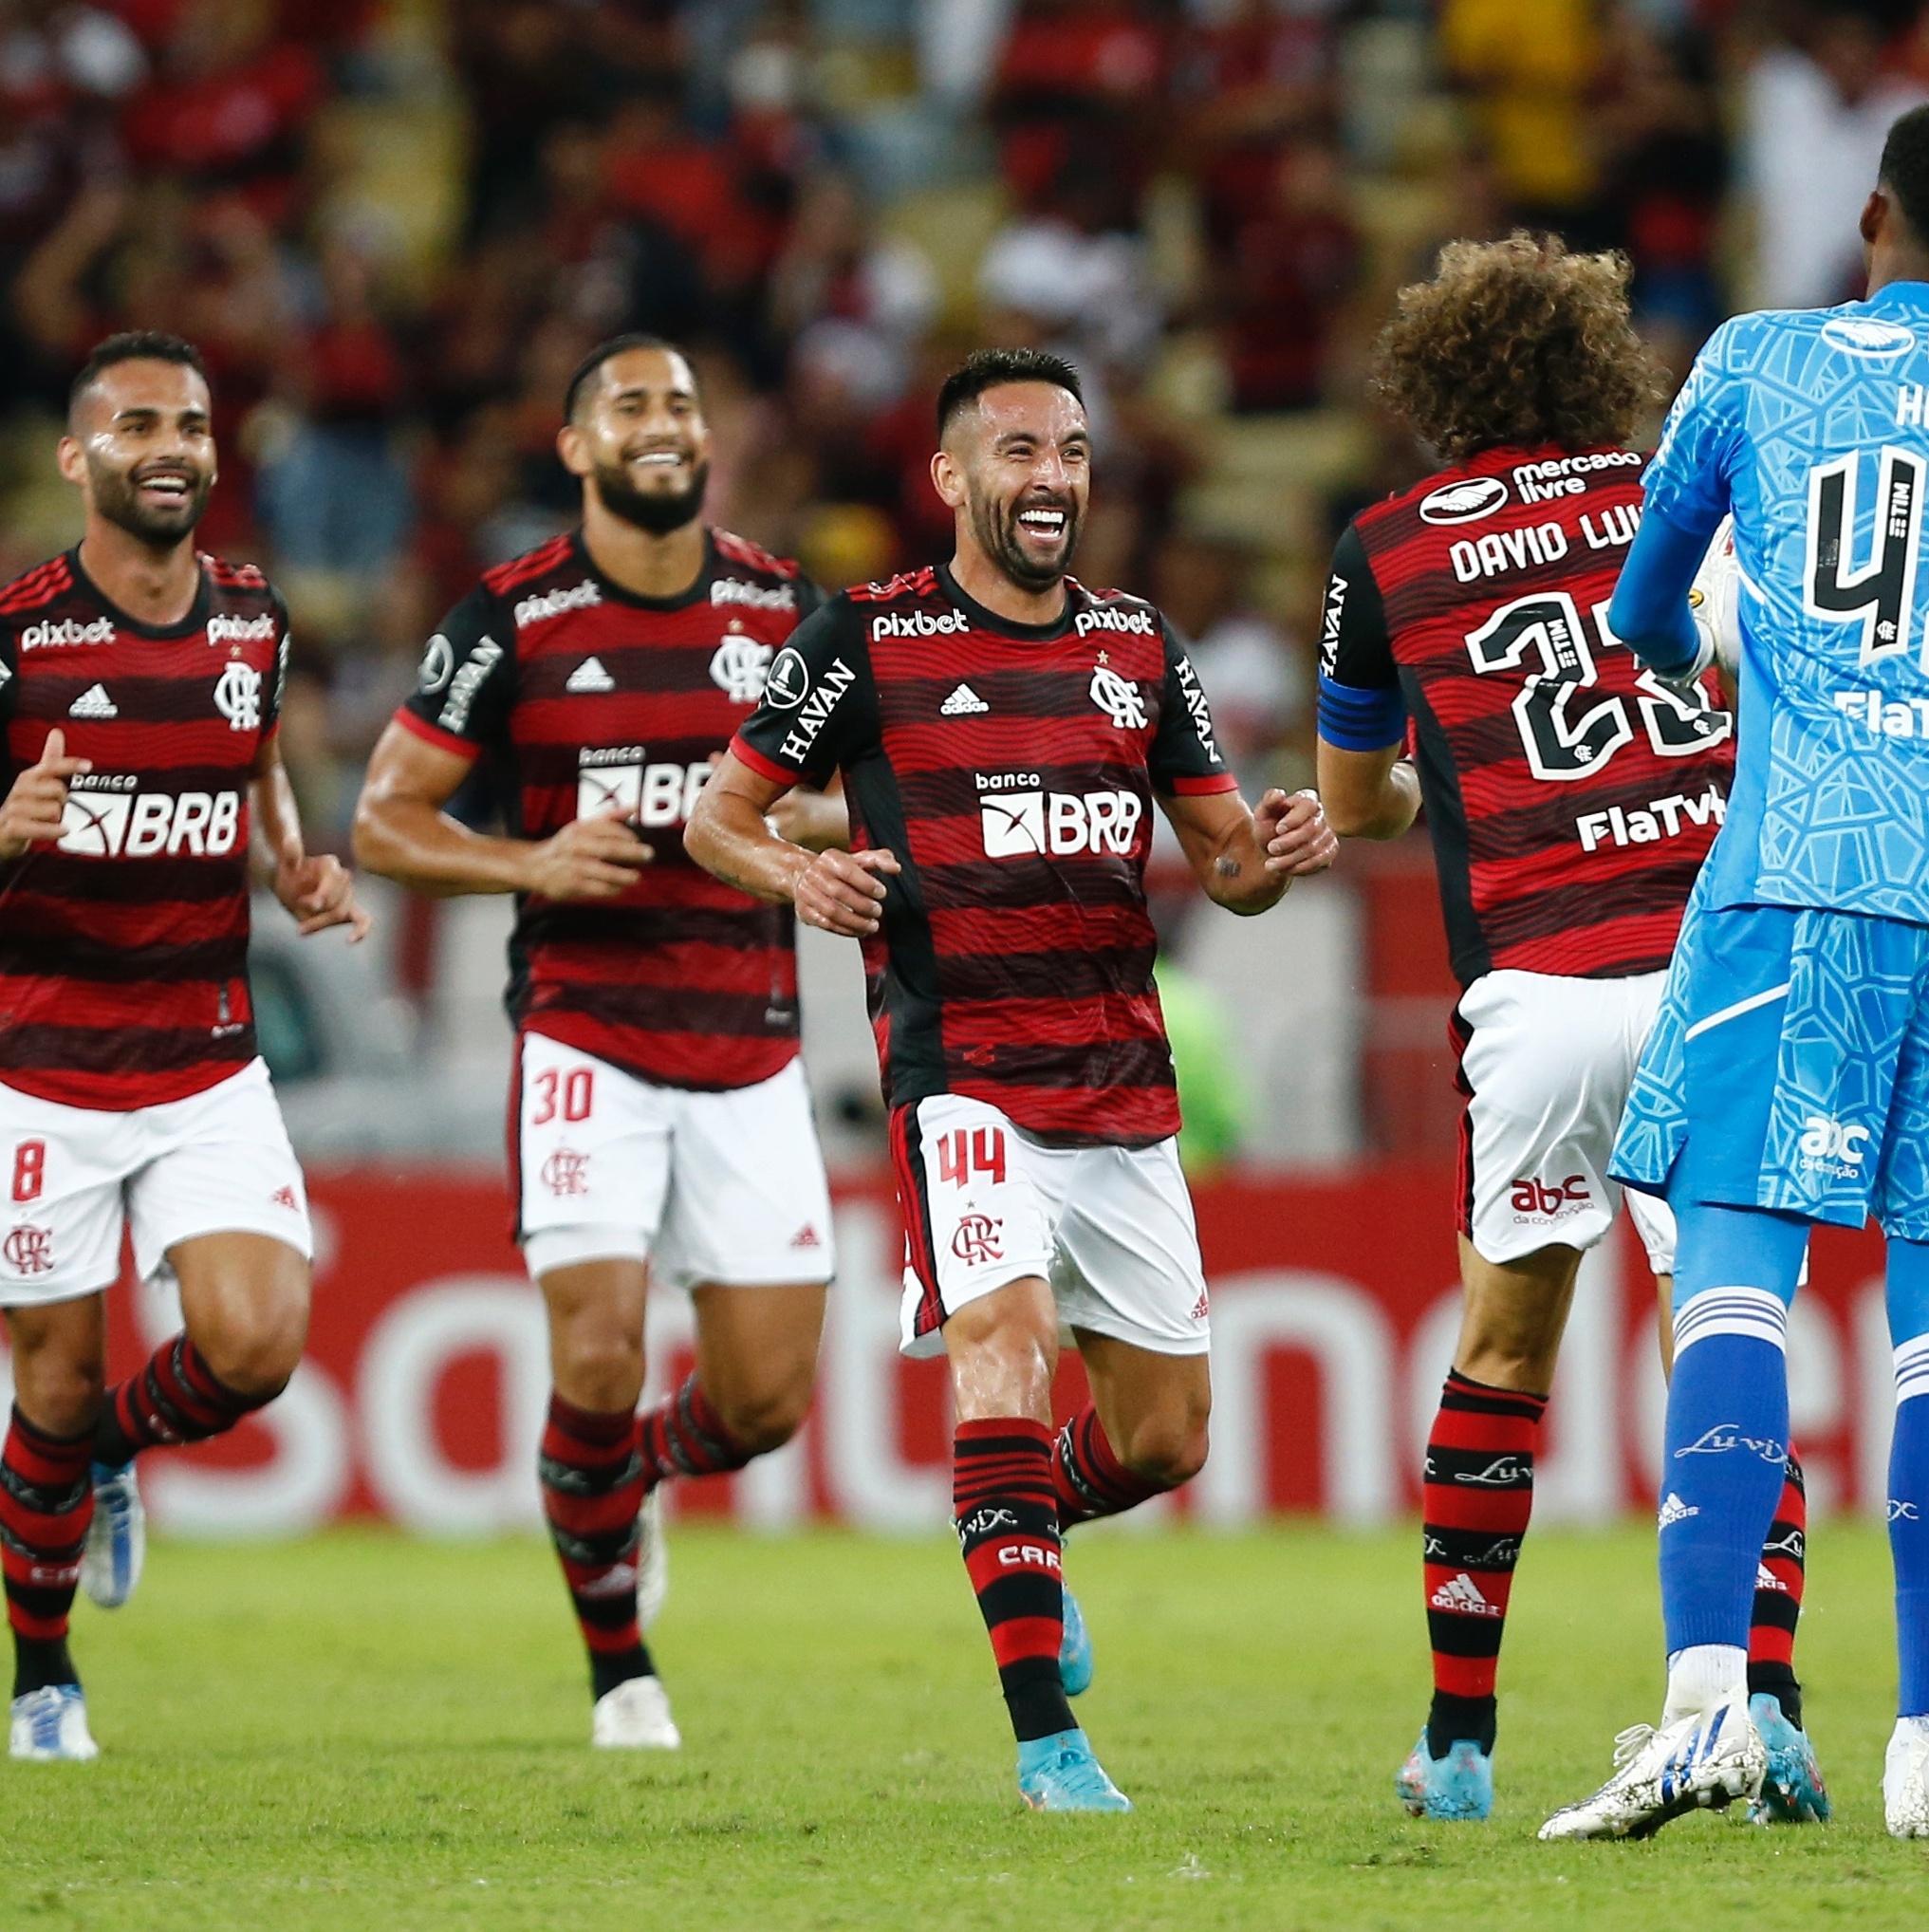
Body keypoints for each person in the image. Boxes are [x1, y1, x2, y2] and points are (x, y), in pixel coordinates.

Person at [684, 345, 1337, 1811]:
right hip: (959, 1072)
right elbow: (714, 819)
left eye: (1072, 454)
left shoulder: (1136, 645)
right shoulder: (860, 635)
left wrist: (1270, 856)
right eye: (1021, 454)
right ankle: (1049, 1741)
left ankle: (1022, 1526)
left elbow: (1222, 863)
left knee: (1166, 1439)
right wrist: (800, 872)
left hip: (1115, 1079)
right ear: (953, 478)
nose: (1052, 480)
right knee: (1004, 1338)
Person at [1315, 236, 1825, 1825]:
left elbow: (1355, 802)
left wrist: (1417, 787)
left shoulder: (1382, 546)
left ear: (1438, 383)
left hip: (1533, 994)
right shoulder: (1692, 480)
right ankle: (1774, 1718)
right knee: (1720, 1336)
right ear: (1594, 368)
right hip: (1705, 965)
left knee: (1500, 1352)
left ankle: (1457, 1747)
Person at [352, 334, 843, 1753]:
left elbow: (841, 796)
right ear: (574, 446)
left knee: (760, 1404)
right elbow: (385, 821)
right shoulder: (508, 619)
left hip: (749, 1040)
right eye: (628, 404)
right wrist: (529, 865)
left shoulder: (779, 603)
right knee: (596, 1353)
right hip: (586, 1034)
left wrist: (766, 823)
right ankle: (619, 1667)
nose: (660, 424)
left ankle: (628, 1479)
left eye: (682, 402)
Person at [1540, 102, 1929, 1843]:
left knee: (1732, 1284)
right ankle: (1927, 1750)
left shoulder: (1760, 360)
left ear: (1869, 211)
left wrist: (1709, 629)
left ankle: (1707, 1709)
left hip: (1806, 870)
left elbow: (1636, 608)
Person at [0, 330, 367, 1762]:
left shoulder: (252, 620)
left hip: (207, 1058)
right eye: (138, 423)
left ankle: (99, 1461)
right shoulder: (24, 637)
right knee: (52, 1375)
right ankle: (43, 1676)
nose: (172, 447)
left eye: (193, 424)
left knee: (258, 1341)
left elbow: (261, 751)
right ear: (76, 456)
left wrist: (293, 862)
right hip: (39, 1064)